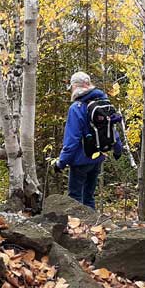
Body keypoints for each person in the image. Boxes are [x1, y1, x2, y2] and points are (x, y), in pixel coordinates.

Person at [53, 72, 122, 209]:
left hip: (80, 160)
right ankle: (93, 227)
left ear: (75, 87)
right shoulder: (102, 103)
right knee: (89, 197)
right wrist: (118, 149)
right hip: (97, 158)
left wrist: (61, 162)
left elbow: (72, 140)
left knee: (75, 198)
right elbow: (112, 129)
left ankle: (78, 228)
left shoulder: (76, 108)